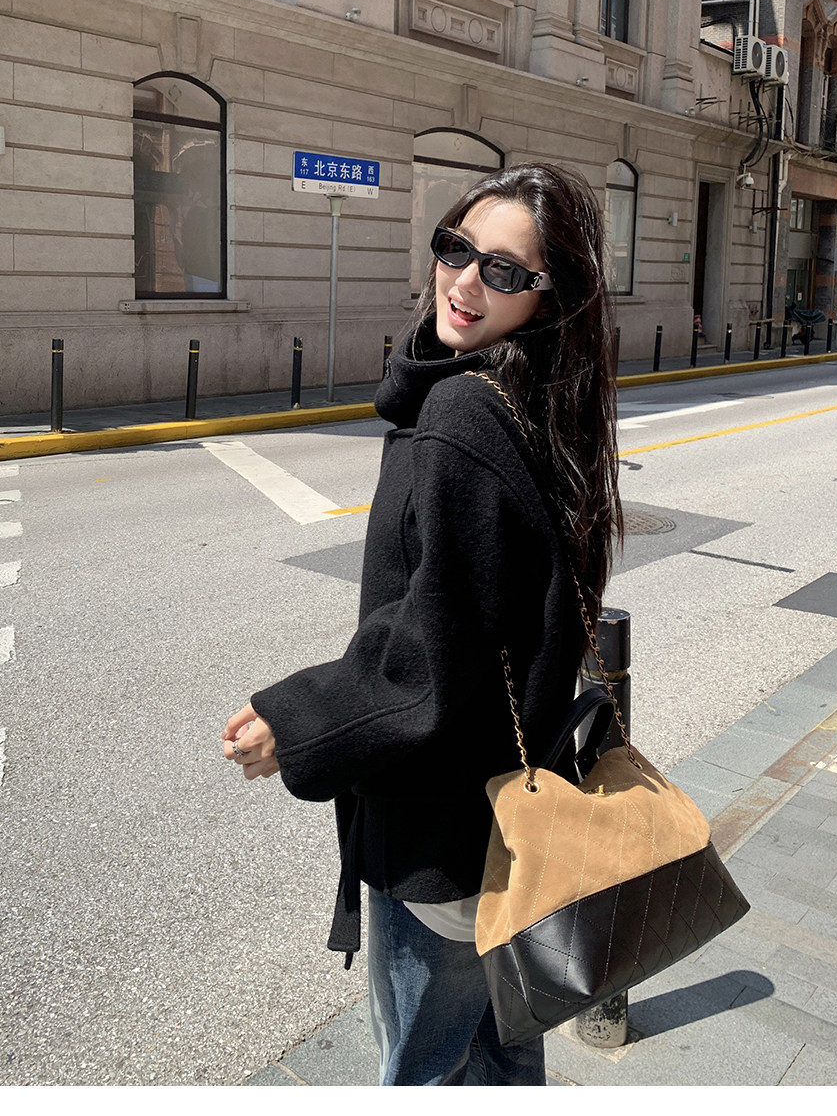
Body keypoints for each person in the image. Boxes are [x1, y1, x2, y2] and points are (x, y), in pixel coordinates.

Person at [222, 161, 622, 1086]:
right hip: (511, 824)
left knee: (428, 1067)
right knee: (502, 1054)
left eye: (505, 270)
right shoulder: (536, 400)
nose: (466, 280)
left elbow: (428, 657)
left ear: (547, 295)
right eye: (456, 248)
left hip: (444, 830)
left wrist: (299, 722)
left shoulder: (460, 413)